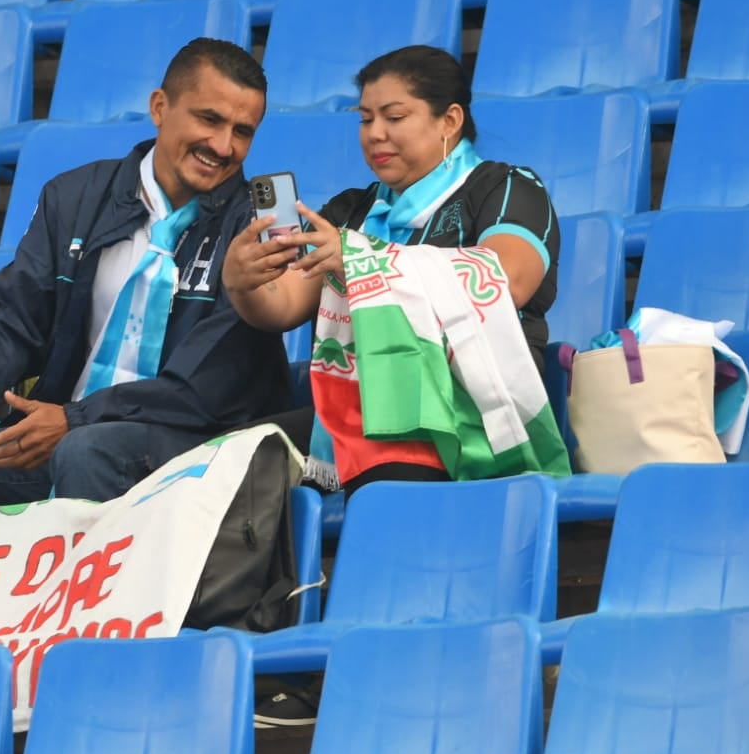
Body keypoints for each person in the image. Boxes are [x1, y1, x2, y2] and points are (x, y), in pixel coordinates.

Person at [0, 37, 292, 540]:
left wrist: (74, 419)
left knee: (87, 450)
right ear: (159, 107)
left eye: (243, 132)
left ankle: (83, 621)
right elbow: (13, 325)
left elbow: (206, 389)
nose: (224, 146)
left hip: (197, 446)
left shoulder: (264, 220)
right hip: (69, 432)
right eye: (209, 120)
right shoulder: (74, 197)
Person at [222, 44, 561, 495]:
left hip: (468, 410)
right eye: (365, 119)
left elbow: (506, 278)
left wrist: (364, 261)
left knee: (384, 479)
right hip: (361, 411)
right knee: (222, 466)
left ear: (450, 120)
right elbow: (283, 303)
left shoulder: (505, 187)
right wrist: (242, 281)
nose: (375, 133)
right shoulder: (351, 210)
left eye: (394, 117)